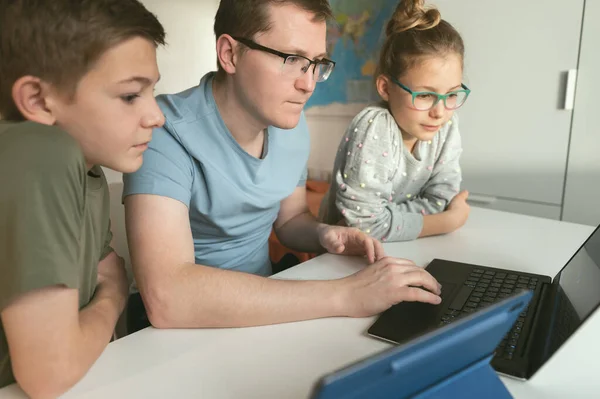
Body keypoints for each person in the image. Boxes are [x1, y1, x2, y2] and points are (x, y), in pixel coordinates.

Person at [123, 0, 442, 333]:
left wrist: (323, 234)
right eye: (292, 60)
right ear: (230, 54)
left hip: (266, 304)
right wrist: (346, 295)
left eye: (316, 63)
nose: (308, 84)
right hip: (179, 329)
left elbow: (289, 219)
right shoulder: (161, 131)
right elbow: (168, 298)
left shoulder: (291, 121)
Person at [0, 0, 165, 395]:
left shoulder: (86, 168)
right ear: (39, 101)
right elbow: (49, 375)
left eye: (152, 92)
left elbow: (103, 262)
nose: (156, 116)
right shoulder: (39, 151)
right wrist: (112, 295)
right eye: (130, 96)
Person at [319, 0, 471, 242]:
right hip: (342, 261)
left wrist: (387, 221)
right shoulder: (375, 127)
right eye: (424, 95)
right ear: (386, 88)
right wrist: (448, 221)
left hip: (405, 249)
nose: (439, 112)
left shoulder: (446, 127)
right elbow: (363, 227)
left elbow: (443, 199)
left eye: (451, 94)